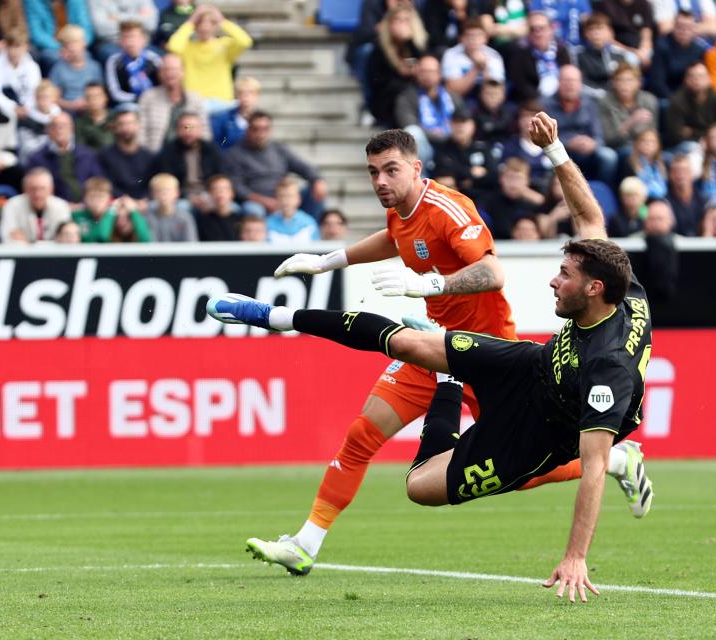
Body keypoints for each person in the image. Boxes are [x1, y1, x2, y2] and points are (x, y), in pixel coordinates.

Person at [209, 112, 654, 599]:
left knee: (499, 472)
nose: (380, 181)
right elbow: (587, 221)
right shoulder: (405, 212)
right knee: (367, 423)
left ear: (417, 168)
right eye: (373, 172)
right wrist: (328, 261)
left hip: (495, 351)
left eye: (390, 170)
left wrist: (430, 283)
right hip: (459, 342)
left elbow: (492, 273)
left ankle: (615, 458)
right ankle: (306, 541)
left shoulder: (450, 210)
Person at [223, 111, 327, 219]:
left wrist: (317, 180)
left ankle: (312, 230)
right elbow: (237, 188)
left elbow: (303, 167)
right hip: (255, 202)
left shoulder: (279, 149)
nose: (260, 134)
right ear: (247, 130)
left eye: (265, 129)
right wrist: (266, 202)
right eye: (256, 129)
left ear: (270, 130)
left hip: (284, 198)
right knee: (253, 210)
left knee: (315, 192)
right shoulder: (234, 154)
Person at [167, 3, 253, 110]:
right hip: (194, 104)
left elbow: (245, 42)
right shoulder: (187, 47)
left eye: (211, 23)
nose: (205, 27)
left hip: (222, 103)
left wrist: (222, 21)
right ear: (196, 26)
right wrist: (191, 21)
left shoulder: (225, 45)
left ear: (216, 25)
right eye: (200, 23)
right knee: (187, 127)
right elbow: (173, 46)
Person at [542, 65, 618, 184]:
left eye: (574, 81)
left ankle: (601, 193)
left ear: (580, 83)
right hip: (558, 151)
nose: (570, 85)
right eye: (566, 80)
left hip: (587, 151)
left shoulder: (590, 103)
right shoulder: (546, 104)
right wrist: (567, 143)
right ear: (558, 82)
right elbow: (543, 137)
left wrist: (593, 144)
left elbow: (599, 135)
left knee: (608, 156)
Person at [393, 55, 465, 170]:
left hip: (453, 145)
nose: (428, 75)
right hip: (427, 148)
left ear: (439, 74)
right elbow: (409, 126)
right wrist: (440, 135)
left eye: (431, 71)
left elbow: (465, 119)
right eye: (423, 71)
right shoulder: (407, 97)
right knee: (412, 132)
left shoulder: (452, 96)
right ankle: (420, 176)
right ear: (417, 73)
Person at [366, 5, 428, 126]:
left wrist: (409, 41)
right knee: (403, 90)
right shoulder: (379, 49)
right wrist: (400, 72)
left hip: (415, 95)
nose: (402, 24)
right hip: (387, 100)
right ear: (389, 24)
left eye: (406, 20)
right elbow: (376, 82)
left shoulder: (416, 46)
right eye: (397, 20)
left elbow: (423, 63)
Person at [138, 53, 209, 153]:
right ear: (160, 73)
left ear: (182, 72)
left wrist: (186, 127)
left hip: (189, 156)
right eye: (166, 69)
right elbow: (140, 131)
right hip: (156, 157)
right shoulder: (148, 97)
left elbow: (204, 131)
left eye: (174, 69)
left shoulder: (195, 99)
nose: (170, 73)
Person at [27, 111, 104, 203]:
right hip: (53, 208)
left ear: (71, 129)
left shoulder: (88, 154)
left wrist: (84, 204)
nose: (59, 129)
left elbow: (98, 183)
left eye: (63, 126)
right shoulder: (37, 159)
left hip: (87, 207)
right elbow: (35, 189)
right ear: (48, 130)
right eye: (54, 126)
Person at [150, 110, 222, 207]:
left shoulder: (211, 150)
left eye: (192, 128)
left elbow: (219, 177)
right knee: (182, 207)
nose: (188, 132)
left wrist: (210, 195)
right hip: (180, 196)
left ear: (200, 129)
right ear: (177, 130)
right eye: (184, 128)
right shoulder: (169, 151)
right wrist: (188, 197)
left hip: (208, 194)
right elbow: (167, 180)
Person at [506, 11, 572, 103]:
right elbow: (521, 84)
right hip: (533, 103)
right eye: (533, 29)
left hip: (561, 101)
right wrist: (541, 101)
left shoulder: (561, 50)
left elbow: (568, 75)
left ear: (551, 29)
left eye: (542, 28)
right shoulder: (519, 52)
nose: (538, 33)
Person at [664, 60, 716, 152]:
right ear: (686, 80)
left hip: (715, 142)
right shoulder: (677, 100)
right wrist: (706, 135)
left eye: (701, 76)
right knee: (693, 148)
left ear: (709, 79)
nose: (697, 80)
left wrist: (693, 132)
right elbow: (675, 134)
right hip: (686, 146)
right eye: (692, 77)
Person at [0, 167, 71, 243]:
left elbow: (65, 240)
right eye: (33, 189)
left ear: (51, 189)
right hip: (21, 254)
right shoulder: (12, 205)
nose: (37, 194)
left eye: (42, 188)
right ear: (24, 189)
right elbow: (7, 238)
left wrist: (27, 242)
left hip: (55, 254)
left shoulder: (61, 206)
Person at [441, 17, 505, 100]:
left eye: (478, 35)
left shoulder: (494, 56)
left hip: (485, 102)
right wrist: (476, 68)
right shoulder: (451, 55)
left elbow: (496, 93)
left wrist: (485, 69)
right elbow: (452, 91)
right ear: (461, 38)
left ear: (485, 38)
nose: (473, 39)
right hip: (461, 101)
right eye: (469, 35)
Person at [599, 63, 659, 152]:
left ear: (639, 83)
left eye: (629, 80)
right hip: (618, 149)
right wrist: (630, 122)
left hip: (645, 148)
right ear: (613, 83)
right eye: (619, 80)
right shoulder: (605, 102)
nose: (624, 84)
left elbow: (652, 133)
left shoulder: (649, 100)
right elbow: (608, 139)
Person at [649, 11, 708, 100]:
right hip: (667, 96)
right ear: (674, 27)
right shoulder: (662, 47)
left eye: (688, 27)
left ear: (694, 29)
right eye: (680, 27)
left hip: (691, 96)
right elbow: (657, 83)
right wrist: (676, 101)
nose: (684, 31)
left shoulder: (699, 50)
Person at [481, 157, 546, 238]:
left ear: (527, 181)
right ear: (501, 179)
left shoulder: (533, 204)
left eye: (518, 178)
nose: (513, 183)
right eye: (510, 177)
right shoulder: (488, 202)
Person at [100, 104, 155, 200]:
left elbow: (151, 185)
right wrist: (124, 200)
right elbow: (106, 185)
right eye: (121, 124)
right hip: (115, 204)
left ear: (138, 125)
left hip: (144, 204)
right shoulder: (105, 156)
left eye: (130, 123)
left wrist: (144, 200)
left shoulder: (149, 157)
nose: (126, 128)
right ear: (115, 127)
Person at [576, 13, 635, 97]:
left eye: (599, 28)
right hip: (591, 98)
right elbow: (582, 82)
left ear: (610, 32)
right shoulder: (580, 55)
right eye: (591, 29)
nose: (595, 33)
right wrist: (601, 94)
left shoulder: (621, 54)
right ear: (586, 34)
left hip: (617, 98)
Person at [48, 24, 103, 113]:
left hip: (91, 109)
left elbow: (100, 93)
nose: (73, 47)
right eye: (68, 44)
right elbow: (54, 98)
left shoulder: (94, 67)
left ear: (84, 43)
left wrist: (89, 102)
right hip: (69, 111)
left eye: (75, 42)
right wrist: (72, 105)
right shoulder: (58, 69)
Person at [0, 29, 42, 121]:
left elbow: (35, 90)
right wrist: (13, 108)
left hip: (28, 110)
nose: (15, 51)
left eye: (18, 47)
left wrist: (27, 108)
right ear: (5, 46)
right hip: (3, 111)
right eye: (11, 46)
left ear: (26, 47)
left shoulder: (33, 66)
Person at [104, 20, 161, 105]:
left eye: (134, 37)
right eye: (125, 37)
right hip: (127, 104)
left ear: (144, 40)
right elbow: (115, 93)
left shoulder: (154, 59)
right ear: (120, 41)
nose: (130, 41)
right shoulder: (114, 61)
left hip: (154, 103)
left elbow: (162, 87)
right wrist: (137, 98)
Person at [89, 0, 157, 64]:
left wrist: (117, 18)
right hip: (112, 43)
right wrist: (139, 17)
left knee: (163, 59)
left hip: (142, 43)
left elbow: (151, 24)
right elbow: (102, 29)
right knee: (116, 59)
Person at [592, 0, 654, 67]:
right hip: (617, 47)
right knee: (631, 60)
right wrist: (634, 51)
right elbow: (607, 38)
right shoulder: (605, 5)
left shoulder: (643, 3)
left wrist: (643, 50)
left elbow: (646, 31)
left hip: (640, 47)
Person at [211, 76, 260, 150]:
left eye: (250, 92)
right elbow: (217, 144)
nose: (246, 96)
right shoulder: (222, 119)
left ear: (257, 96)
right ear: (236, 95)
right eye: (241, 93)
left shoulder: (261, 120)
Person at [266, 177, 320, 245]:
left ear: (298, 199)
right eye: (282, 196)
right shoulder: (267, 224)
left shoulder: (309, 223)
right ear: (276, 199)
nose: (285, 201)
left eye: (289, 196)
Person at [145, 172, 196, 241]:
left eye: (167, 191)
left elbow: (191, 244)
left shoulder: (185, 217)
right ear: (153, 194)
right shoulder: (148, 217)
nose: (163, 195)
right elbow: (150, 243)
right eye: (158, 191)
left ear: (176, 193)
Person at [667, 154, 706, 236]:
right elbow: (643, 211)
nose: (680, 175)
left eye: (684, 171)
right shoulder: (664, 203)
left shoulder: (705, 202)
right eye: (676, 171)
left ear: (692, 174)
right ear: (670, 175)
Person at [196, 174, 242, 241]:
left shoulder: (240, 220)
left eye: (225, 189)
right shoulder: (203, 221)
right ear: (209, 194)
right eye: (215, 189)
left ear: (232, 193)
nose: (220, 193)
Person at [74, 82, 115, 150]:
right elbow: (80, 148)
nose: (93, 99)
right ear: (85, 100)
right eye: (89, 97)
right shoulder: (79, 122)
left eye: (97, 96)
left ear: (105, 97)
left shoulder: (116, 118)